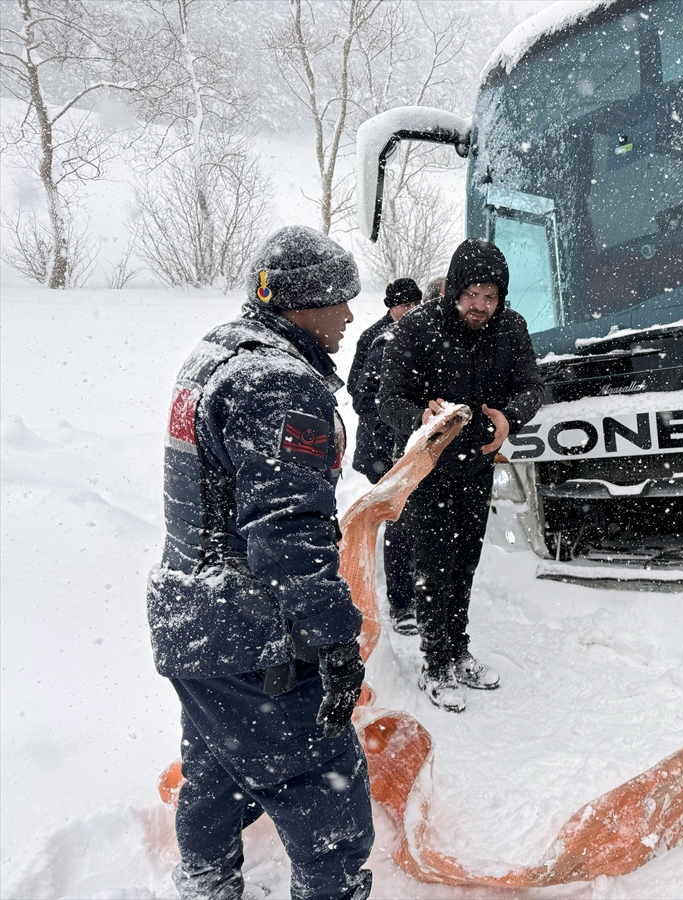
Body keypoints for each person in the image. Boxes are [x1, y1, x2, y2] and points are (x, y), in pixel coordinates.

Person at [147, 225, 374, 900]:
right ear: (302, 303)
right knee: (324, 792)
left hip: (191, 618)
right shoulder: (278, 384)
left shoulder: (219, 352)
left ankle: (206, 885)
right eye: (340, 300)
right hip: (255, 638)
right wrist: (337, 637)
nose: (350, 316)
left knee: (216, 770)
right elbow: (288, 534)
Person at [377, 239, 542, 712]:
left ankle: (457, 649)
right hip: (427, 471)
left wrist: (512, 416)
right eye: (472, 294)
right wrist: (420, 417)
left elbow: (532, 385)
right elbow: (387, 399)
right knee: (433, 566)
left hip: (476, 468)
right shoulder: (418, 328)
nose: (480, 306)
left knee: (466, 561)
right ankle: (434, 661)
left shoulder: (510, 328)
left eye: (490, 297)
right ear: (453, 290)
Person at [348, 278, 425, 635]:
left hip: (411, 443)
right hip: (383, 447)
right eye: (402, 305)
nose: (408, 311)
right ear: (389, 306)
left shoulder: (423, 335)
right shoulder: (375, 339)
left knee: (411, 517)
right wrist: (394, 409)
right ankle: (401, 602)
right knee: (399, 519)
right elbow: (358, 391)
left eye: (414, 304)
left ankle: (415, 590)